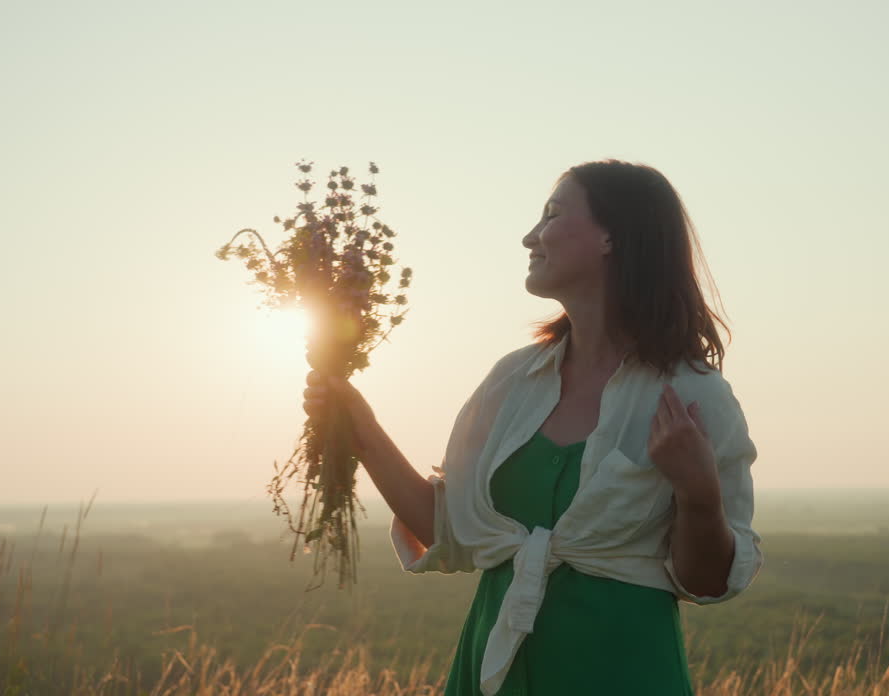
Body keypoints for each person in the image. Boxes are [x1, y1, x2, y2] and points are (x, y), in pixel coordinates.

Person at [303, 159, 762, 696]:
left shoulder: (693, 394)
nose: (530, 237)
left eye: (550, 216)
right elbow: (448, 530)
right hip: (492, 668)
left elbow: (706, 582)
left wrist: (699, 492)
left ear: (613, 236)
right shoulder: (514, 381)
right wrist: (362, 431)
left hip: (621, 671)